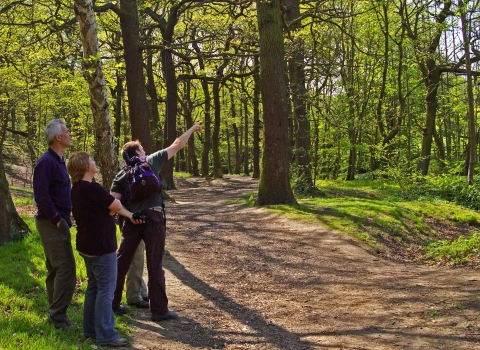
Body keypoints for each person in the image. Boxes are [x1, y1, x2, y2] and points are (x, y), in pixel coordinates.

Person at [110, 122, 202, 321]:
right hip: (153, 218)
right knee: (155, 263)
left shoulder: (121, 174)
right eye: (142, 148)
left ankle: (112, 303)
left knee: (121, 262)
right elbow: (177, 145)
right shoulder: (150, 162)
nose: (145, 151)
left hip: (132, 221)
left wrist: (129, 215)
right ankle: (159, 311)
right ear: (138, 152)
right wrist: (191, 129)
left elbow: (114, 203)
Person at [67, 152, 143, 347]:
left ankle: (90, 330)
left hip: (86, 246)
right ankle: (106, 335)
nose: (95, 161)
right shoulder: (93, 188)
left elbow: (110, 207)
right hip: (101, 246)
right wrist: (113, 208)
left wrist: (116, 210)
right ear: (85, 167)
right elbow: (115, 204)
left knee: (94, 287)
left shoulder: (76, 189)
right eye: (92, 160)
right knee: (105, 291)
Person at [33, 119, 77, 331]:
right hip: (51, 223)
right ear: (58, 137)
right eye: (67, 132)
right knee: (66, 269)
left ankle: (55, 313)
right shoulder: (46, 162)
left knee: (55, 269)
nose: (70, 134)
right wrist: (57, 219)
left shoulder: (58, 160)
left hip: (57, 221)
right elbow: (41, 195)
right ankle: (58, 317)